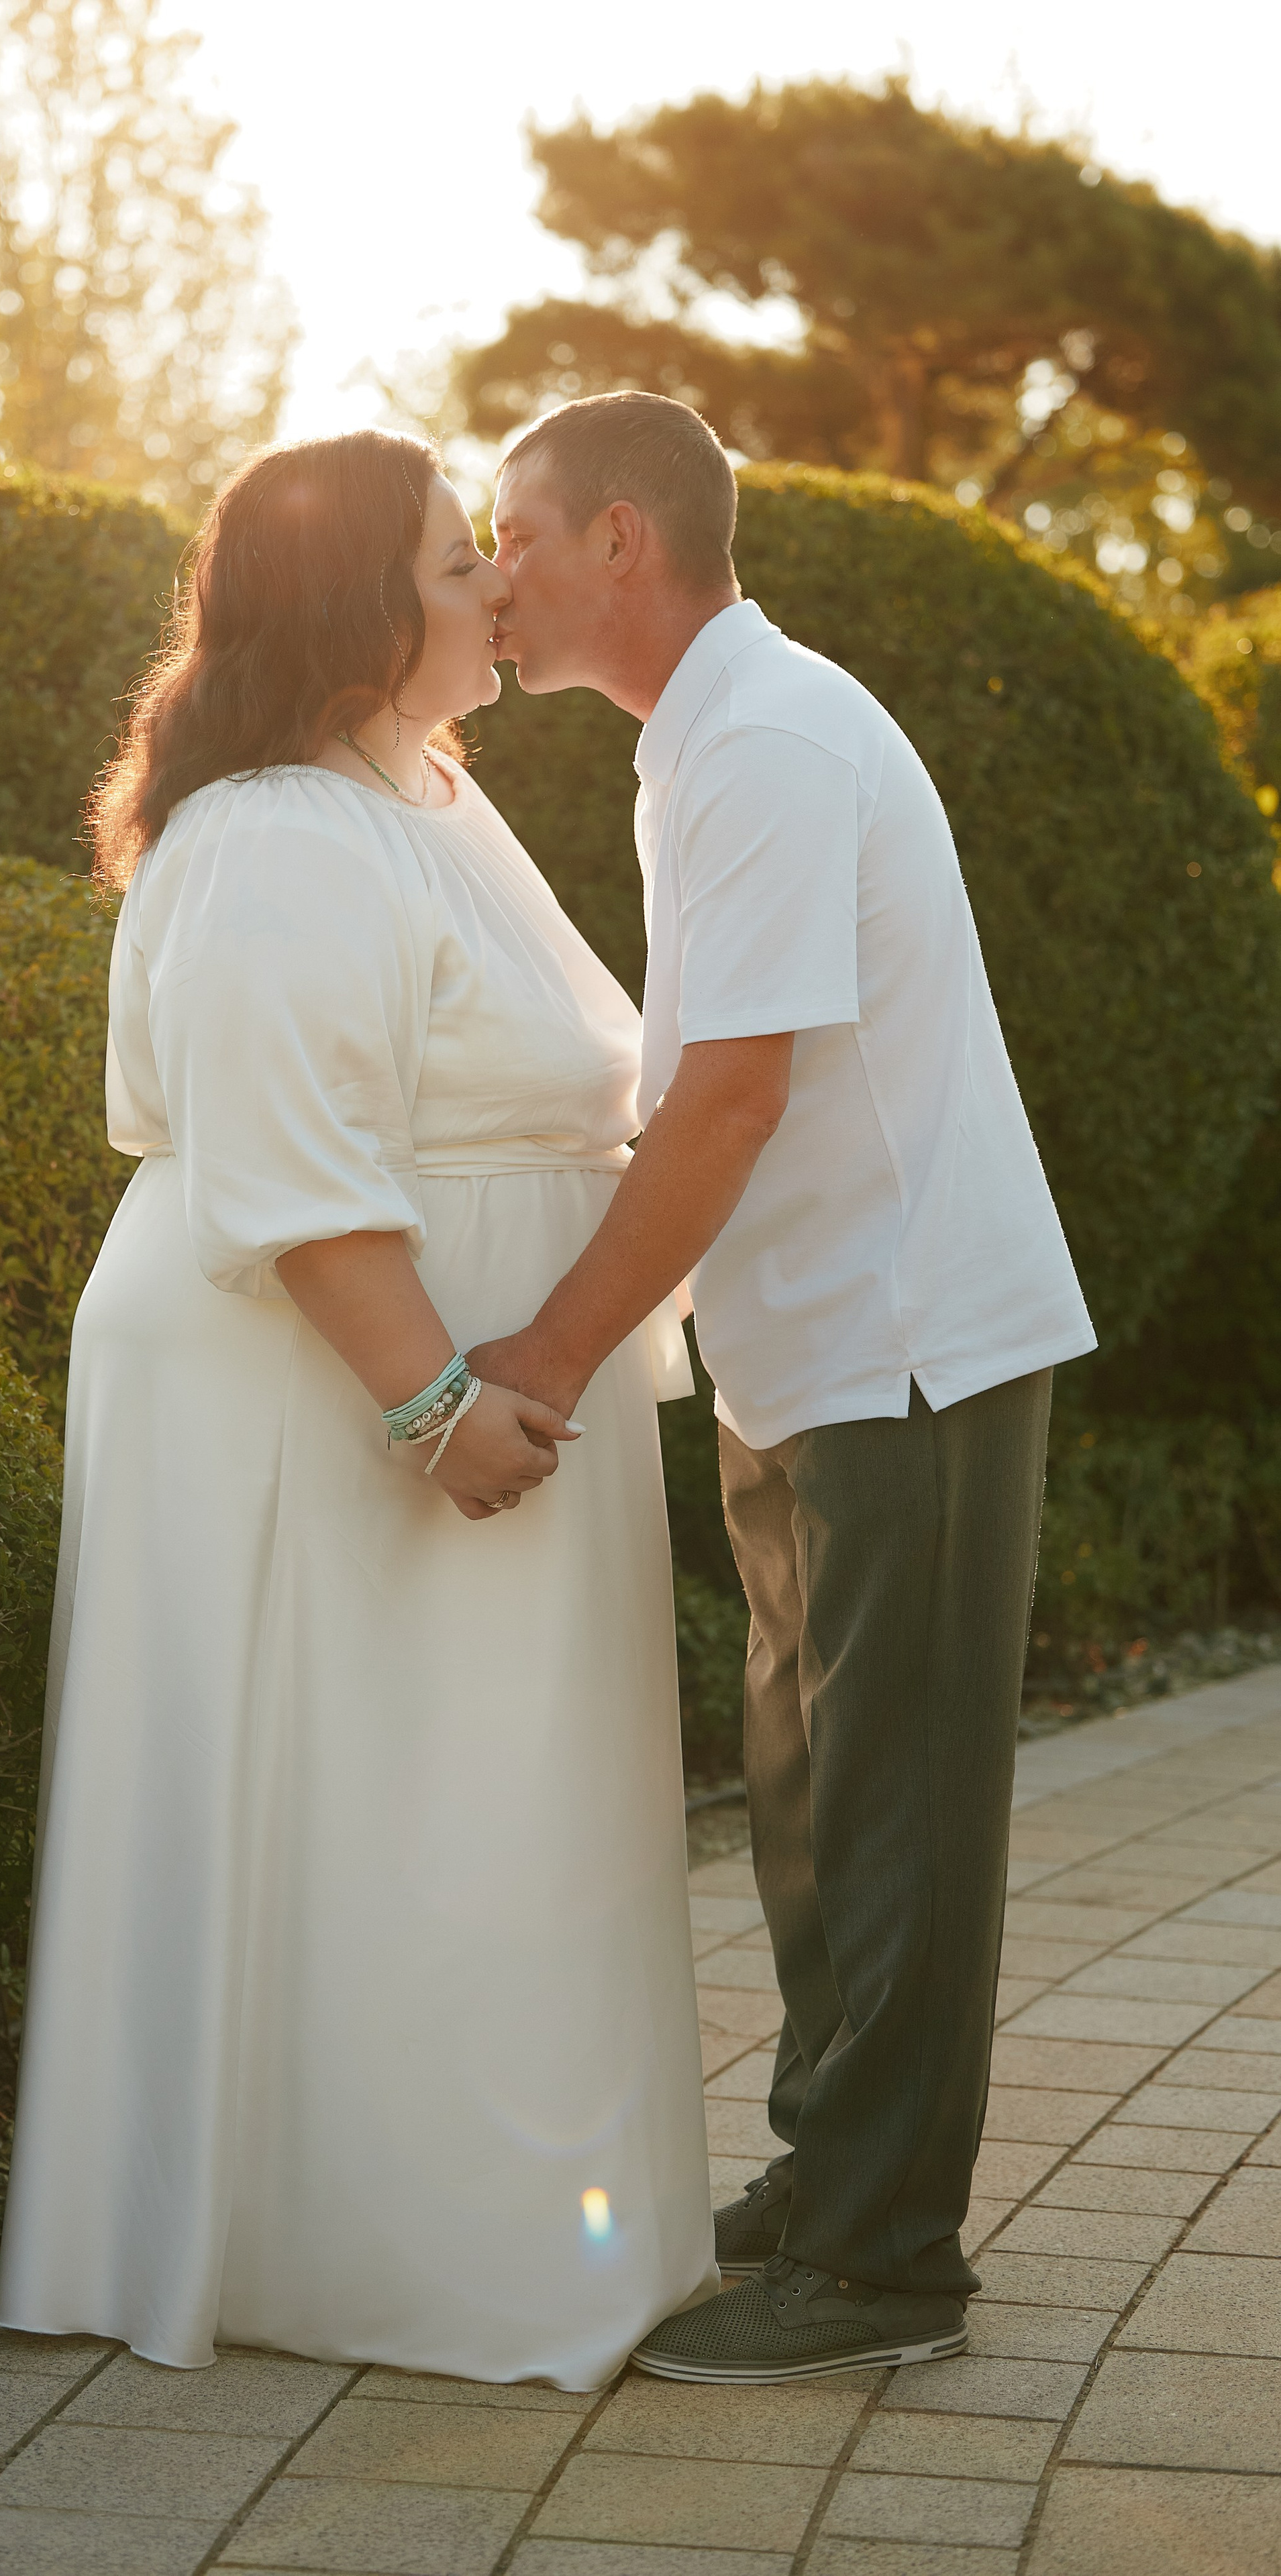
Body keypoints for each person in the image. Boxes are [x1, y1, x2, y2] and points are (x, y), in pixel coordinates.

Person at [0, 429, 715, 2392]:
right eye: (451, 560)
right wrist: (429, 1405)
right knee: (387, 1796)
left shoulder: (429, 793)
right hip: (319, 1392)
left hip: (455, 1384)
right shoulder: (280, 837)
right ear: (353, 611)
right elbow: (293, 1162)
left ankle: (485, 2223)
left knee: (465, 1803)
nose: (493, 583)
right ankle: (357, 2249)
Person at [472, 391, 1096, 2385]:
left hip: (904, 1350)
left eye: (516, 535)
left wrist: (548, 1358)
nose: (495, 576)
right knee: (820, 1810)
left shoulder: (763, 743)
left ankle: (887, 2264)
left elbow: (730, 1098)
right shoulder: (708, 742)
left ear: (625, 541)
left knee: (893, 1811)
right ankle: (835, 2181)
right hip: (810, 1350)